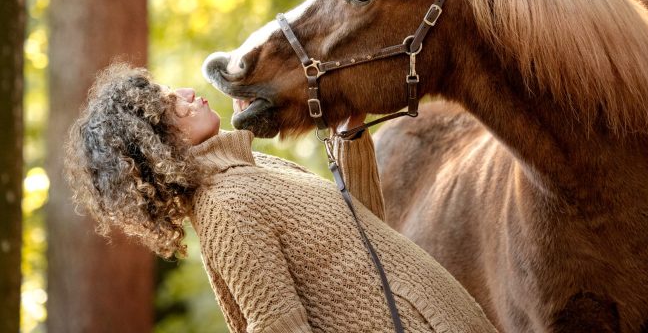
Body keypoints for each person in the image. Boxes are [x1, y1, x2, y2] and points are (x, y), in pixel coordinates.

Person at [65, 63, 496, 333]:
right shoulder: (224, 208)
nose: (185, 92)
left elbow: (367, 229)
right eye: (168, 102)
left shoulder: (256, 169)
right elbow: (275, 325)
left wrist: (349, 131)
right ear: (155, 142)